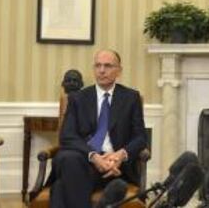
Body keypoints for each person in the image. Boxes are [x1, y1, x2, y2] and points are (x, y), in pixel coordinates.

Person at [50, 49, 147, 208]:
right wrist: (94, 156)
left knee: (60, 187)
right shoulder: (78, 98)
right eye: (98, 66)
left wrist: (120, 156)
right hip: (83, 158)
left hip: (114, 164)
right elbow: (67, 136)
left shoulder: (131, 97)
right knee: (69, 158)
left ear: (119, 71)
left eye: (108, 66)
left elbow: (140, 137)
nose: (102, 70)